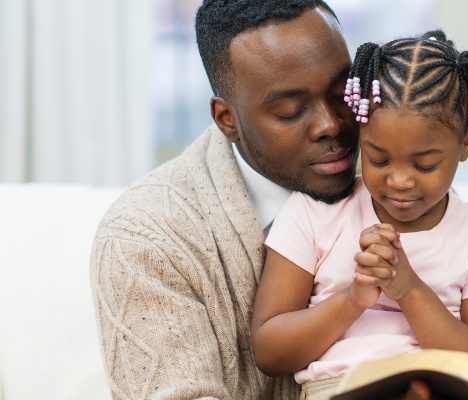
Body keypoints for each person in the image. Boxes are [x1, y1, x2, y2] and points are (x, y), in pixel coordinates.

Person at [90, 1, 367, 398]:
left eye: (343, 92)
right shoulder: (144, 239)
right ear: (227, 120)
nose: (331, 124)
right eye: (290, 111)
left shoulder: (397, 185)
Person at [249, 31, 468, 399]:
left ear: (466, 141)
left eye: (424, 164)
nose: (400, 181)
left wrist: (408, 289)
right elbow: (270, 351)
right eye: (378, 159)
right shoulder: (314, 211)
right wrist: (354, 297)